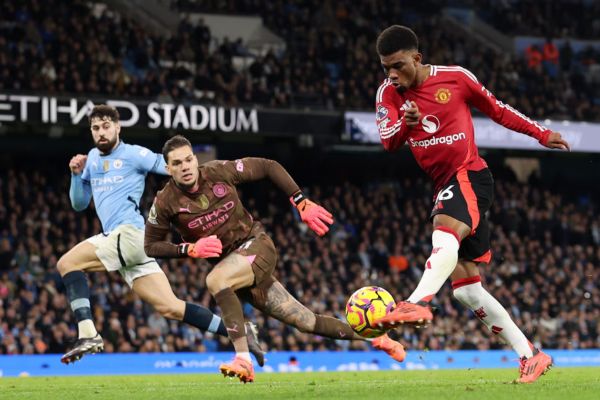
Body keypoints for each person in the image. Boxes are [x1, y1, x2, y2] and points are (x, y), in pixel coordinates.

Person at [371, 25, 570, 383]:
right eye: (386, 68)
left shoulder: (456, 79)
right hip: (442, 184)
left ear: (417, 58)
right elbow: (387, 142)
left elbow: (497, 109)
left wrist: (541, 134)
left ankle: (416, 302)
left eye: (399, 65)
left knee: (443, 233)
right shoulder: (388, 93)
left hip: (469, 175)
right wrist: (405, 123)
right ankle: (531, 355)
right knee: (468, 290)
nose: (392, 75)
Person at [144, 135, 406, 383]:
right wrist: (188, 250)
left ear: (195, 159)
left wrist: (301, 202)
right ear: (168, 168)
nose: (185, 166)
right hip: (237, 270)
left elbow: (269, 166)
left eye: (189, 159)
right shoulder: (165, 202)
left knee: (216, 279)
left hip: (256, 245)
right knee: (304, 321)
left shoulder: (219, 171)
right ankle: (376, 338)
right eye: (177, 163)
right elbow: (151, 246)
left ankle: (242, 359)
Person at [58, 105, 264, 365]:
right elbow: (79, 203)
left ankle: (88, 333)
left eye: (106, 126)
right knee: (171, 307)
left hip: (128, 233)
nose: (101, 132)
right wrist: (77, 176)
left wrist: (197, 183)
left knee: (67, 263)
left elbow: (168, 166)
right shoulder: (92, 159)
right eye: (96, 128)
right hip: (128, 243)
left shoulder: (134, 154)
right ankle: (240, 331)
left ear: (118, 128)